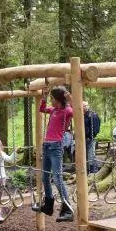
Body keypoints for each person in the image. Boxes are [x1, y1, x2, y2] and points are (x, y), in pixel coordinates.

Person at [34, 86, 74, 222]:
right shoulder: (54, 110)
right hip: (46, 146)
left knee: (57, 178)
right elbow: (42, 109)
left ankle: (67, 209)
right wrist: (43, 98)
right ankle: (48, 205)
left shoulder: (67, 111)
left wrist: (70, 99)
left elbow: (79, 112)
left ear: (57, 99)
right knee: (45, 177)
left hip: (56, 147)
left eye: (51, 98)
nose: (50, 100)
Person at [83, 101, 101, 174]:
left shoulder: (93, 115)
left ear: (88, 106)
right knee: (85, 155)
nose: (83, 107)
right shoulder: (82, 115)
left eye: (85, 106)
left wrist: (90, 137)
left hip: (89, 138)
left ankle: (94, 171)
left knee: (91, 155)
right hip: (83, 139)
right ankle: (87, 171)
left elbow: (96, 129)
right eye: (82, 106)